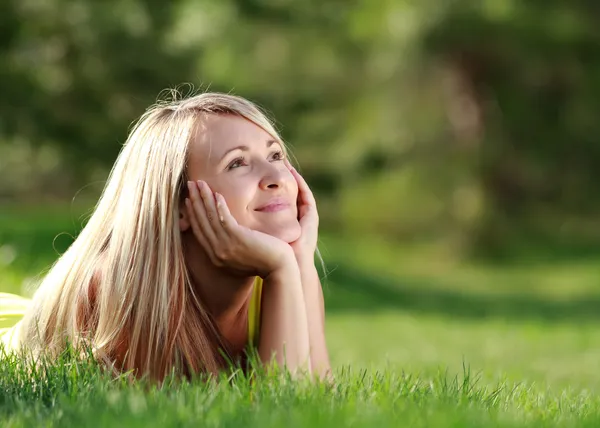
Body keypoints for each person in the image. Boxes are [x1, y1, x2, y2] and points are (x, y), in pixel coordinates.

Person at [0, 91, 330, 381]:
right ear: (179, 206)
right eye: (238, 163)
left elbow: (311, 403)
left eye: (275, 155)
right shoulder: (128, 290)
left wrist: (296, 263)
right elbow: (275, 415)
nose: (276, 177)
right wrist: (283, 269)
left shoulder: (284, 269)